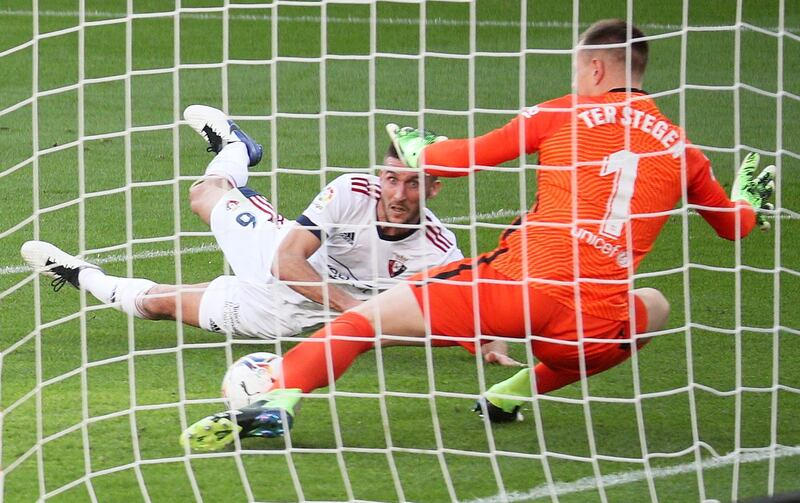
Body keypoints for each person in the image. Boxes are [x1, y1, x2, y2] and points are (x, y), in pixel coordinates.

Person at [179, 19, 776, 451]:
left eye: (577, 67)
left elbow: (463, 158)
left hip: (516, 289)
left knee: (361, 323)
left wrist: (417, 148)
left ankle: (279, 397)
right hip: (590, 322)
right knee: (655, 305)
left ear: (596, 68)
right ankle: (513, 391)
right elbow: (733, 227)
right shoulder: (682, 148)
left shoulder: (562, 112)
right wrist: (750, 194)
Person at [21, 105, 517, 364]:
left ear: (434, 187)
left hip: (284, 312)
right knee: (204, 193)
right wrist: (356, 311)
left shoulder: (436, 250)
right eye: (392, 177)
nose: (398, 192)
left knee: (161, 305)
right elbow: (287, 261)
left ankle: (79, 273)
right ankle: (237, 146)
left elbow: (458, 313)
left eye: (412, 182)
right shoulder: (351, 191)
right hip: (278, 256)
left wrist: (486, 343)